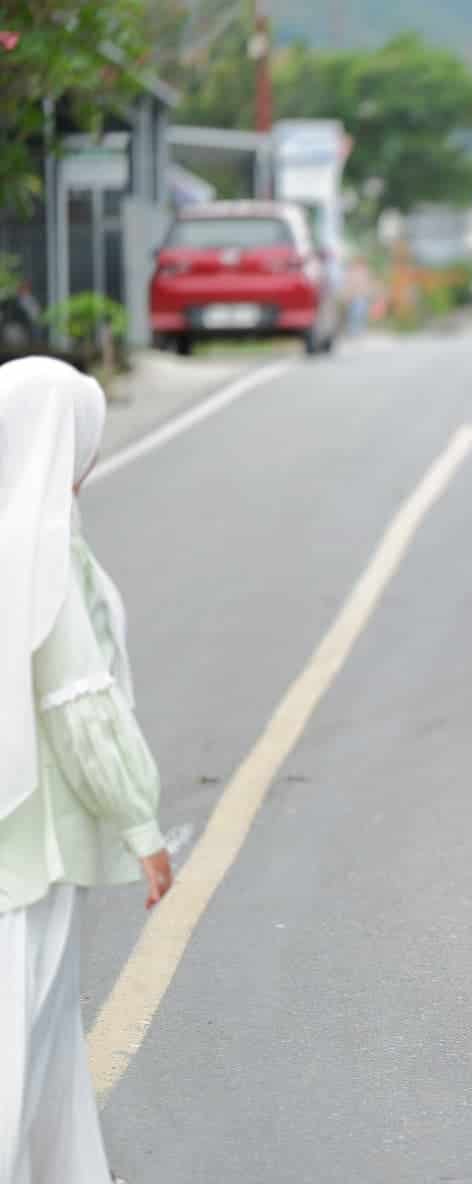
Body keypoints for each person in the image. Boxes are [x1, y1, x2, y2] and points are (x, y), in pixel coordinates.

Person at [1, 357, 173, 1183]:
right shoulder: (42, 553)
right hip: (27, 849)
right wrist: (142, 825)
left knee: (43, 1039)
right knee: (20, 1035)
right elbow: (80, 704)